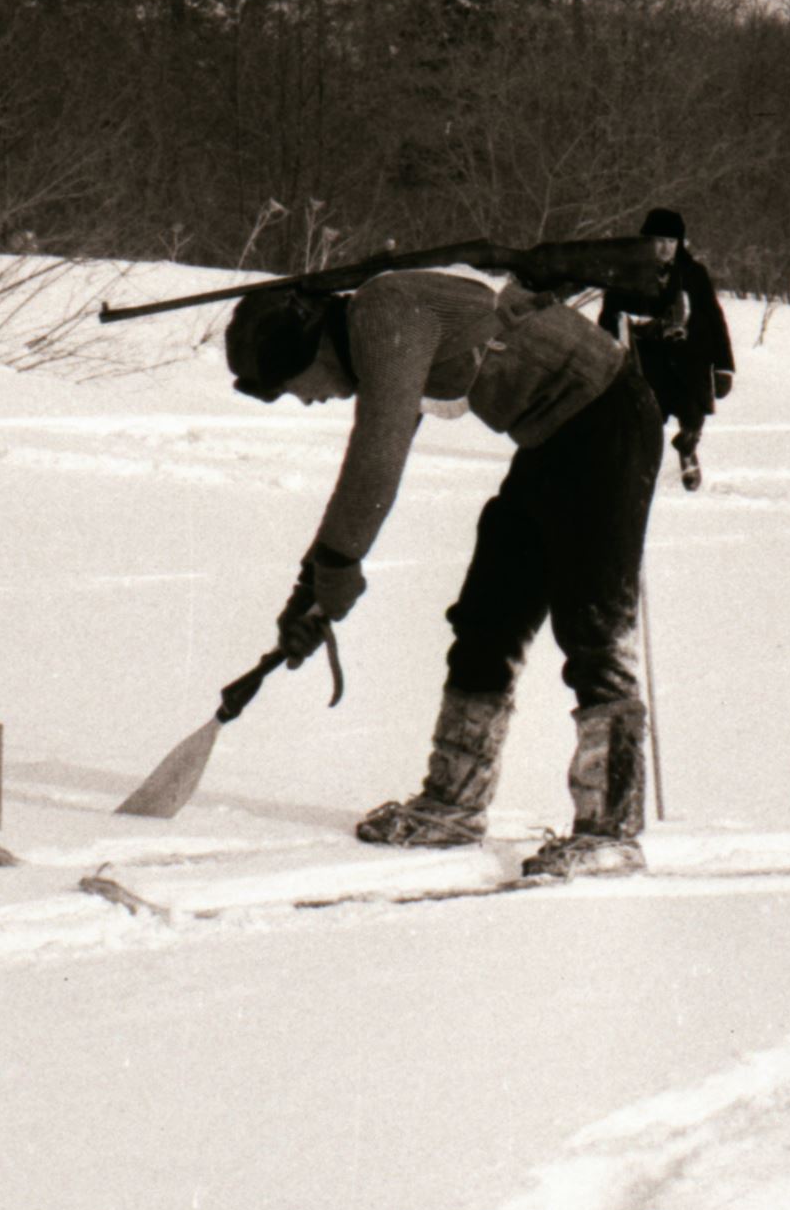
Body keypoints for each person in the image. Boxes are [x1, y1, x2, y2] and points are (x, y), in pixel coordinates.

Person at [225, 260, 664, 878]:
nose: (304, 399)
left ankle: (612, 830)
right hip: (552, 440)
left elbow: (376, 461)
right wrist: (314, 587)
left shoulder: (385, 316)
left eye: (291, 384)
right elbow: (372, 467)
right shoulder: (379, 329)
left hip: (608, 422)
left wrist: (334, 569)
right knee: (488, 617)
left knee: (593, 626)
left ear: (313, 345)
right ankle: (454, 803)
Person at [600, 208, 736, 492]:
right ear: (646, 242)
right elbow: (609, 316)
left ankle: (687, 451)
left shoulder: (693, 274)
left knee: (693, 415)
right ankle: (640, 470)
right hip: (649, 361)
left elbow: (713, 317)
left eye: (671, 242)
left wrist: (724, 366)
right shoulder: (628, 273)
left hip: (691, 360)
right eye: (658, 241)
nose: (665, 248)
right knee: (648, 420)